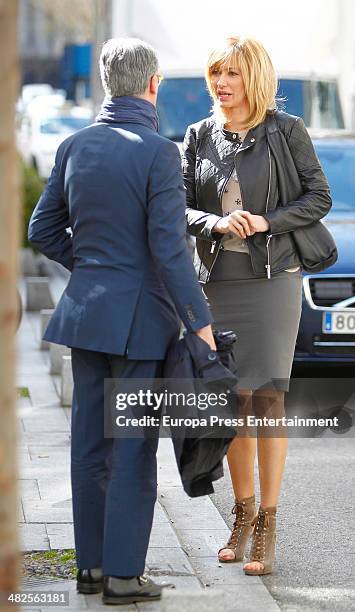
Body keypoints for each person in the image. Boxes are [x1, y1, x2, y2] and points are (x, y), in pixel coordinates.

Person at [28, 37, 215, 605]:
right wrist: (199, 323)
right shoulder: (160, 151)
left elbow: (42, 230)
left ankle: (89, 569)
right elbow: (169, 248)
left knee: (88, 445)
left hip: (85, 316)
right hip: (139, 324)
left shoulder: (75, 145)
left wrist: (90, 270)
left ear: (110, 84)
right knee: (132, 446)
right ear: (153, 84)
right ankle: (124, 577)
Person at [182, 35, 331, 575]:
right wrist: (216, 223)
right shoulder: (199, 136)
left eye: (233, 74)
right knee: (232, 403)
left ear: (255, 78)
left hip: (273, 282)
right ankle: (241, 514)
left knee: (266, 400)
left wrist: (266, 221)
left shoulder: (286, 131)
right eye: (216, 74)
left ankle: (268, 520)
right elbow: (177, 207)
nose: (222, 84)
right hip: (217, 282)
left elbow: (319, 197)